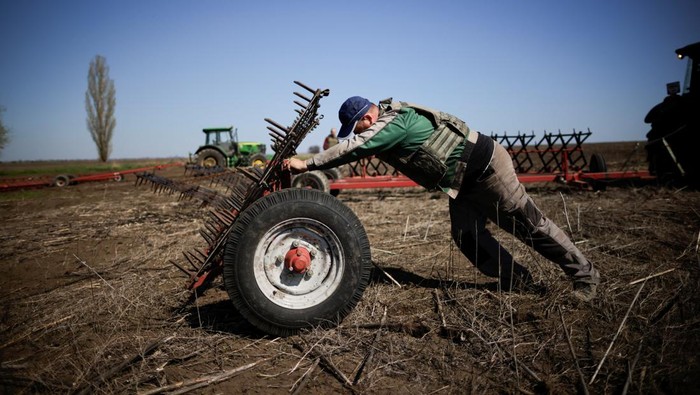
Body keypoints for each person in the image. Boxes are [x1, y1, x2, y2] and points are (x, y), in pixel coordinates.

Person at [286, 96, 600, 302]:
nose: (358, 133)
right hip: (460, 182)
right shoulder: (386, 122)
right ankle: (516, 279)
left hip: (486, 168)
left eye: (357, 127)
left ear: (367, 118)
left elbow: (355, 148)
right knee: (466, 235)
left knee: (528, 224)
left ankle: (585, 276)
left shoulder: (393, 123)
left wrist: (308, 163)